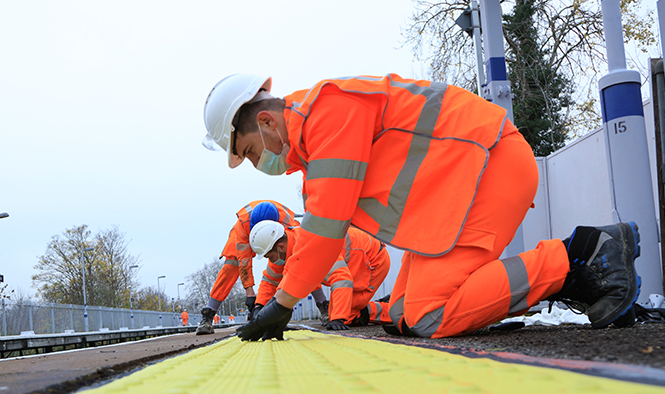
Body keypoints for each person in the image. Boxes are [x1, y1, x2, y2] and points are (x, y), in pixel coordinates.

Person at [202, 73, 641, 341]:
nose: (258, 165)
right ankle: (576, 273)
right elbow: (322, 220)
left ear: (264, 122)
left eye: (251, 153)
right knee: (401, 315)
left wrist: (281, 304)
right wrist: (278, 301)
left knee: (430, 314)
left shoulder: (326, 114)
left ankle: (581, 257)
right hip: (460, 188)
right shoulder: (315, 137)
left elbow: (325, 226)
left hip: (487, 167)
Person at [196, 200, 328, 335]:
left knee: (301, 261)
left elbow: (302, 260)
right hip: (244, 231)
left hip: (279, 231)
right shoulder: (243, 226)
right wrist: (250, 294)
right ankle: (209, 313)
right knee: (231, 265)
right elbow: (244, 260)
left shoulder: (286, 222)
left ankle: (323, 305)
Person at [250, 221, 392, 331]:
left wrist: (338, 319)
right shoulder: (287, 247)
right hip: (356, 261)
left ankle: (393, 309)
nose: (271, 261)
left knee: (346, 315)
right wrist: (259, 307)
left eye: (270, 257)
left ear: (280, 247)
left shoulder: (313, 247)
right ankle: (379, 304)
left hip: (372, 259)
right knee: (340, 310)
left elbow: (342, 278)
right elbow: (270, 280)